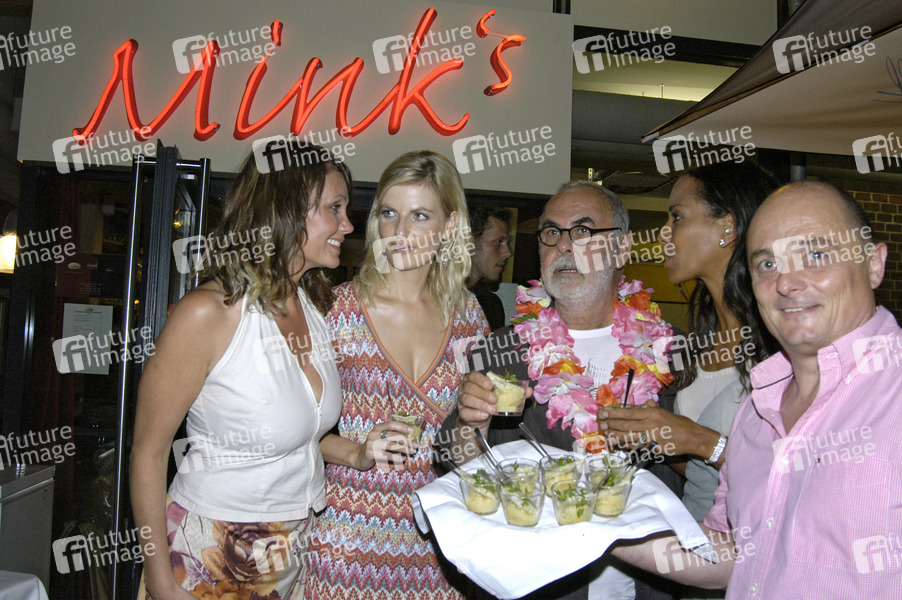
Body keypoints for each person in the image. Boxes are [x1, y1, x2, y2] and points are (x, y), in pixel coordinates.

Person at [611, 181, 901, 598]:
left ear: (874, 264)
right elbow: (735, 553)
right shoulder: (757, 407)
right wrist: (592, 525)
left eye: (816, 255)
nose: (786, 282)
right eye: (767, 264)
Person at [130, 142, 391, 600]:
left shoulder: (312, 308)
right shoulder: (208, 314)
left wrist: (357, 454)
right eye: (334, 208)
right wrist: (160, 581)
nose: (348, 225)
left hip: (291, 550)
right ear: (286, 210)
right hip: (210, 548)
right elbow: (147, 455)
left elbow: (296, 435)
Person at [442, 181, 682, 600]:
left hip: (647, 583)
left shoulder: (670, 350)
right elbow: (456, 463)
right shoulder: (501, 348)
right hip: (536, 585)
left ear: (622, 249)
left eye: (584, 231)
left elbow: (707, 477)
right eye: (552, 232)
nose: (565, 246)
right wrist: (469, 424)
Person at [304, 151, 489, 600]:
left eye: (419, 215)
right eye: (389, 213)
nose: (400, 231)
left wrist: (480, 420)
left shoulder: (470, 317)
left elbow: (469, 451)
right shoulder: (335, 310)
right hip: (346, 542)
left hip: (440, 544)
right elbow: (295, 432)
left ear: (449, 225)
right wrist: (358, 451)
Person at [598, 162, 778, 515]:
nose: (663, 234)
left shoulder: (780, 343)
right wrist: (654, 434)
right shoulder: (696, 342)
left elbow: (795, 478)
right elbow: (701, 472)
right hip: (695, 534)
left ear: (727, 227)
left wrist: (698, 439)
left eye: (676, 218)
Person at [467, 204, 513, 330]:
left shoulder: (492, 304)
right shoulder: (431, 298)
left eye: (507, 243)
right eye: (498, 242)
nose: (507, 253)